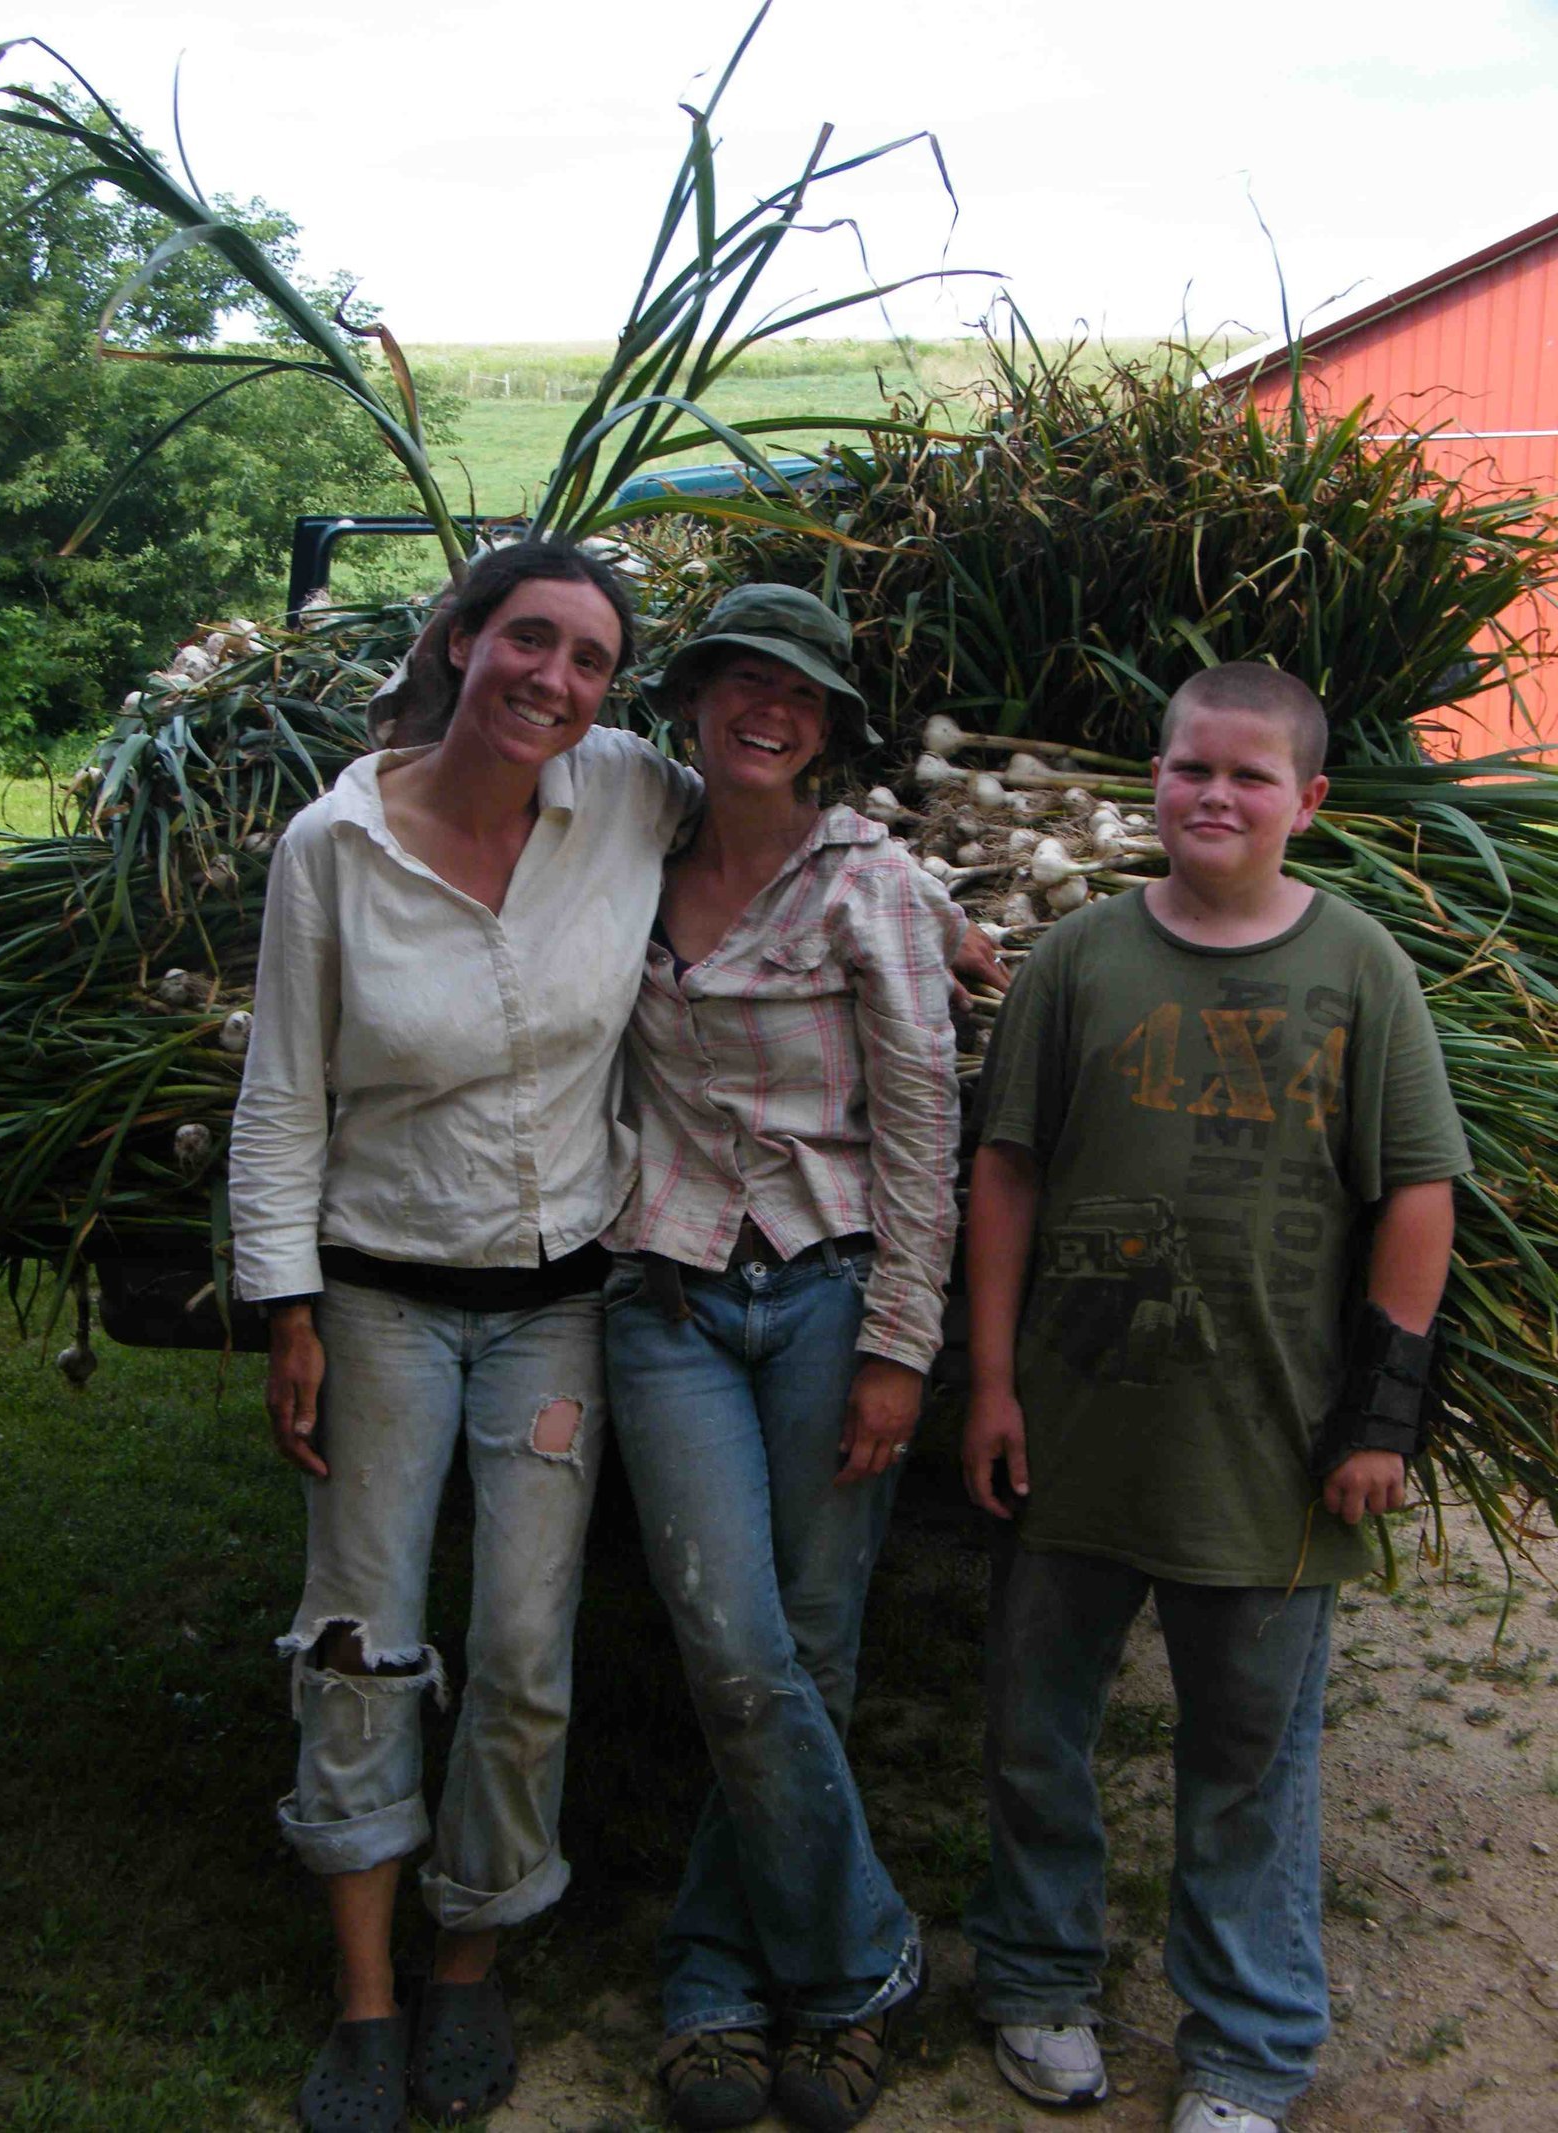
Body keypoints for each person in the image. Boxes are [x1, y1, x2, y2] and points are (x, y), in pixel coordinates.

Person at [959, 662, 1471, 2133]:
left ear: (1306, 802)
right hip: (1073, 1425)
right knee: (1036, 1725)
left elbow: (1418, 1194)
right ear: (1155, 778)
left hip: (1267, 1448)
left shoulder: (1359, 965)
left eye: (1251, 777)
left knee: (1248, 1754)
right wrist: (991, 1382)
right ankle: (1039, 1976)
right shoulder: (1078, 960)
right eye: (1192, 767)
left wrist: (1381, 1415)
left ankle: (1247, 2044)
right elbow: (1007, 1175)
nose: (1215, 795)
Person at [228, 537, 699, 2133]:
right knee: (362, 1632)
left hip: (555, 1304)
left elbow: (794, 836)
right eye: (530, 640)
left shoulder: (629, 793)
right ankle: (364, 2000)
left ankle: (470, 1959)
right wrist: (282, 1303)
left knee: (521, 1641)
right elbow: (283, 1091)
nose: (554, 680)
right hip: (378, 1295)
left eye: (588, 660)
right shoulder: (337, 846)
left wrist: (940, 929)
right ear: (461, 639)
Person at [601, 585, 965, 2133]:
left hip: (826, 1296)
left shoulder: (866, 879)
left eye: (801, 694)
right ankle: (867, 1955)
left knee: (808, 1649)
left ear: (828, 728)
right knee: (735, 1651)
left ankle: (715, 1977)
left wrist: (900, 1343)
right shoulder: (616, 857)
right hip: (668, 1295)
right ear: (691, 702)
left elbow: (923, 1122)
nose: (770, 711)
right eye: (741, 683)